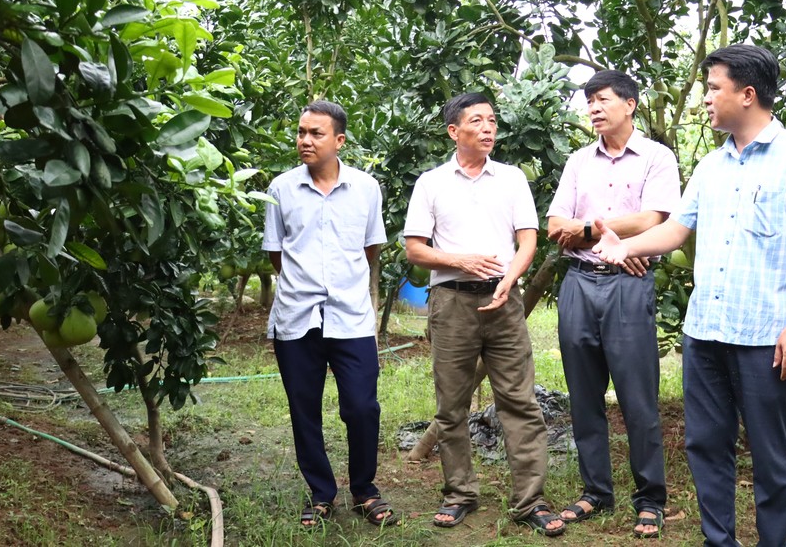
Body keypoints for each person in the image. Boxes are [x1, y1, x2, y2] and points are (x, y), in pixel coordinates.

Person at [592, 45, 786, 546]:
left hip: (764, 334)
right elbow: (676, 232)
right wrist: (626, 245)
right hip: (704, 332)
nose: (706, 99)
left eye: (713, 88)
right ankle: (717, 540)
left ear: (747, 95)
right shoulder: (711, 166)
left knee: (770, 452)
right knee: (705, 444)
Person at [404, 92, 565, 537]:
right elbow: (415, 248)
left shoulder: (511, 179)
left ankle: (529, 500)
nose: (489, 127)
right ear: (455, 131)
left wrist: (508, 280)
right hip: (452, 303)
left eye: (492, 120)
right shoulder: (431, 183)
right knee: (451, 404)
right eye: (477, 120)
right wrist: (460, 260)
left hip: (504, 302)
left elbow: (528, 240)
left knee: (520, 401)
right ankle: (460, 494)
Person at [545, 69, 680, 538]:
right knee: (583, 396)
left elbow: (654, 218)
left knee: (637, 397)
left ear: (630, 104)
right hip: (579, 282)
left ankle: (650, 498)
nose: (594, 109)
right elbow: (553, 224)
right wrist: (594, 231)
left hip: (628, 281)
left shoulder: (657, 159)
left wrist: (587, 229)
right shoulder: (579, 161)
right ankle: (595, 492)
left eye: (602, 100)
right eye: (589, 102)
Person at [262, 100, 399, 529]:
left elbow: (370, 249)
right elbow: (275, 254)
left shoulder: (366, 188)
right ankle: (321, 493)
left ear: (339, 140)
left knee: (362, 406)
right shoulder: (280, 188)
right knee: (304, 408)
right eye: (301, 132)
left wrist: (340, 281)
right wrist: (305, 284)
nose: (305, 140)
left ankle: (365, 490)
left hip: (351, 316)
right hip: (296, 317)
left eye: (315, 133)